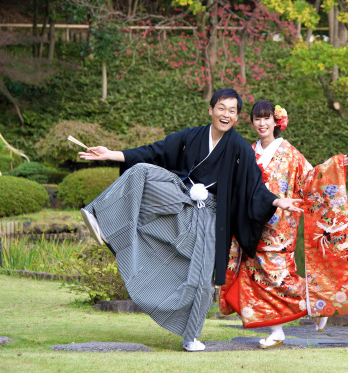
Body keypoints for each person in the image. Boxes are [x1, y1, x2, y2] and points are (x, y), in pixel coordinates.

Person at [77, 89, 301, 352]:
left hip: (211, 213)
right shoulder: (191, 136)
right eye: (221, 108)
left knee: (203, 278)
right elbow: (154, 152)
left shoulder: (239, 147)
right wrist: (111, 154)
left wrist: (277, 201)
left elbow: (253, 186)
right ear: (210, 110)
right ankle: (100, 217)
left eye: (232, 111)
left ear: (237, 118)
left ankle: (191, 336)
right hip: (181, 196)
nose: (226, 114)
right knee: (141, 171)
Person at [219, 100, 348, 348]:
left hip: (279, 227)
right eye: (257, 119)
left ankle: (317, 300)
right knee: (255, 278)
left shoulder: (289, 152)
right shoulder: (248, 151)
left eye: (266, 118)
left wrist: (332, 167)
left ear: (276, 122)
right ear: (251, 122)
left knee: (280, 278)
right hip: (252, 225)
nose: (262, 123)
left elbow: (309, 179)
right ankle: (278, 330)